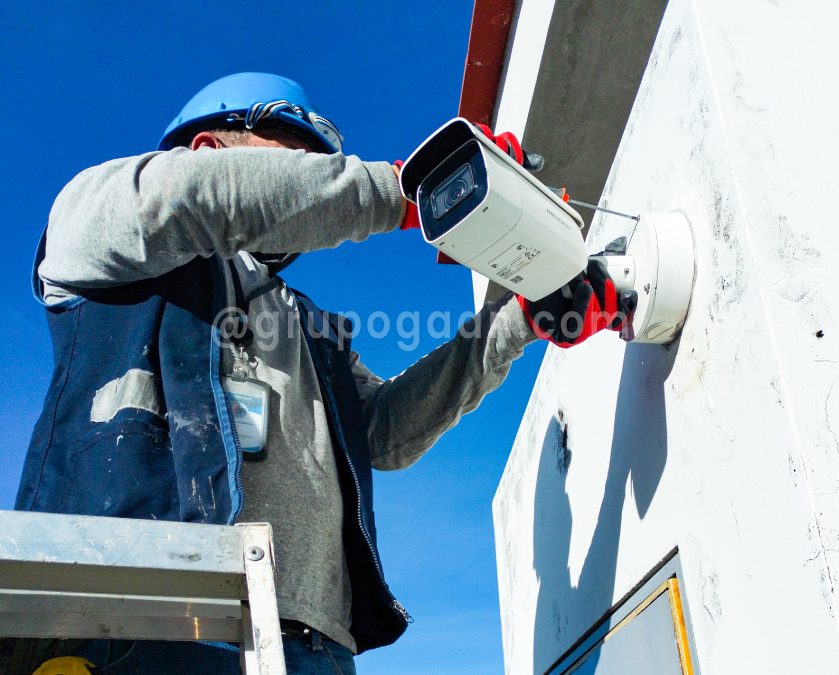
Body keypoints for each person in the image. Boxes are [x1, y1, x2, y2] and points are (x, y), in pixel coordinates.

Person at [9, 72, 634, 674]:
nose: (314, 189)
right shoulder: (101, 221)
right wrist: (411, 190)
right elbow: (199, 196)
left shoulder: (306, 327)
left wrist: (514, 324)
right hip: (141, 621)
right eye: (297, 163)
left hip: (316, 644)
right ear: (206, 147)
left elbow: (384, 434)